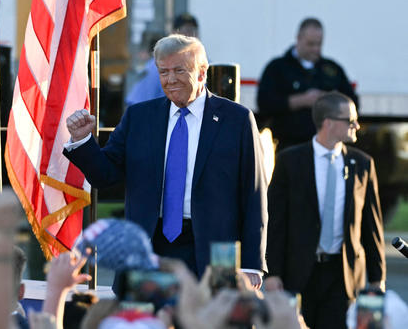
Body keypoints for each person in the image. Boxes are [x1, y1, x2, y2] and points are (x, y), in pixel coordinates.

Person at [64, 34, 267, 286]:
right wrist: (83, 141)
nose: (170, 80)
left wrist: (251, 264)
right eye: (163, 72)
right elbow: (105, 175)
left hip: (213, 253)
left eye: (179, 71)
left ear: (202, 73)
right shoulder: (139, 117)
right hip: (149, 248)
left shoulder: (236, 120)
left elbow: (254, 195)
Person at [265, 92, 386, 329]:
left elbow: (372, 227)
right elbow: (276, 223)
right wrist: (272, 273)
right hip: (300, 274)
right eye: (350, 120)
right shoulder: (290, 162)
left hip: (343, 275)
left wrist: (377, 278)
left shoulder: (362, 164)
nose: (357, 125)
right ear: (328, 123)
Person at [257, 17, 358, 152]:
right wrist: (302, 100)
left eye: (319, 44)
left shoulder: (332, 70)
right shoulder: (278, 68)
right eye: (310, 44)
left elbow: (353, 102)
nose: (315, 49)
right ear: (298, 38)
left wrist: (327, 100)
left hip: (326, 146)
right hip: (289, 145)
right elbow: (264, 103)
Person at [125, 13, 199, 106]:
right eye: (184, 31)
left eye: (193, 31)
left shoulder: (204, 64)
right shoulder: (157, 66)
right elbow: (137, 103)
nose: (189, 36)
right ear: (173, 34)